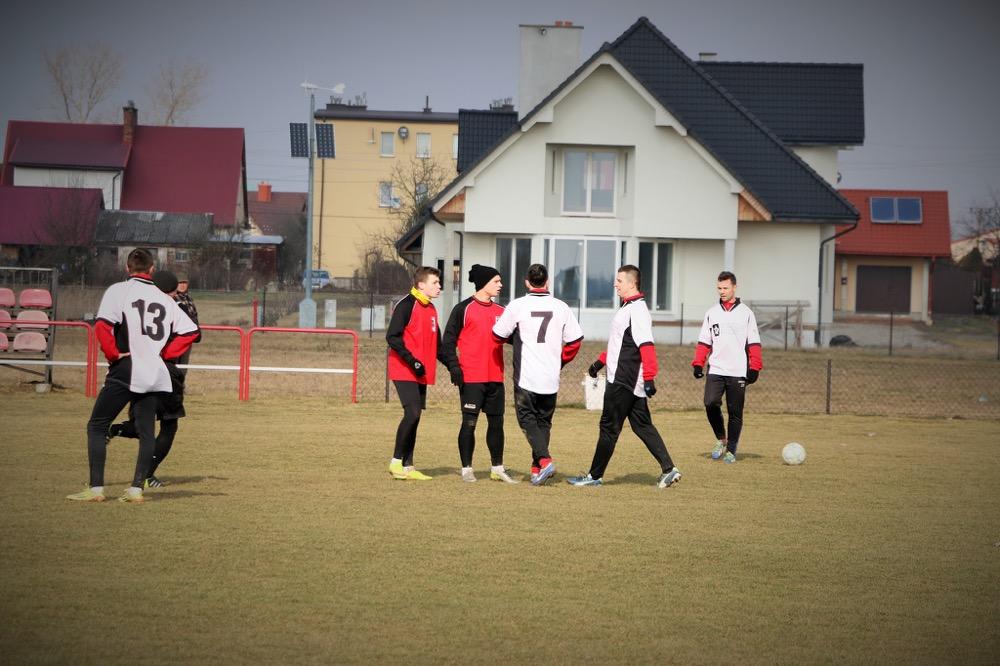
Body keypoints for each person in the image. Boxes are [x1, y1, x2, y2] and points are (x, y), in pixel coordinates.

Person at [66, 249, 199, 503]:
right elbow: (191, 332)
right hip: (154, 371)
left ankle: (96, 489)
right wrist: (165, 354)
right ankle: (136, 489)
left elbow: (103, 326)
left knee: (97, 426)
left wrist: (113, 355)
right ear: (152, 270)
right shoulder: (164, 299)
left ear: (127, 268)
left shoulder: (118, 290)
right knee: (147, 431)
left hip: (126, 367)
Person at [568, 265, 681, 488]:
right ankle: (669, 469)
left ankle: (594, 476)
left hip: (623, 380)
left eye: (619, 280)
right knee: (642, 425)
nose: (615, 284)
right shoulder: (628, 307)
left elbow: (646, 344)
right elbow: (620, 344)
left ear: (632, 283)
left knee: (609, 427)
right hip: (628, 379)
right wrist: (599, 363)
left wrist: (650, 377)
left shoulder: (637, 310)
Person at [492, 263, 583, 486]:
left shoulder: (517, 305)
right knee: (544, 422)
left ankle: (544, 460)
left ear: (527, 282)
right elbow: (574, 341)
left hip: (527, 374)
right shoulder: (561, 307)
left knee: (526, 419)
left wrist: (516, 338)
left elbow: (497, 336)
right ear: (547, 282)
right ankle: (536, 470)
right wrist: (561, 360)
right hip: (550, 375)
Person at [106, 270, 189, 488]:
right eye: (174, 291)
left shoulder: (135, 305)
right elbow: (193, 333)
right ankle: (146, 475)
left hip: (138, 369)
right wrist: (166, 355)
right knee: (169, 425)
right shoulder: (173, 307)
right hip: (165, 372)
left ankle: (114, 430)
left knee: (141, 425)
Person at [440, 264, 516, 483]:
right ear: (484, 283)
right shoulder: (463, 309)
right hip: (471, 378)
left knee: (497, 424)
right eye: (496, 281)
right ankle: (467, 469)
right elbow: (447, 343)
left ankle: (497, 468)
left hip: (496, 377)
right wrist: (454, 366)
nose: (501, 285)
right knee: (469, 423)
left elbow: (516, 339)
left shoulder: (502, 311)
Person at [691, 271, 763, 463]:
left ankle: (731, 450)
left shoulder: (747, 314)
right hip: (716, 369)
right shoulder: (711, 313)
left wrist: (755, 367)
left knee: (735, 412)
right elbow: (704, 342)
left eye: (725, 288)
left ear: (734, 288)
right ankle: (721, 439)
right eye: (719, 288)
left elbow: (754, 343)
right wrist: (698, 363)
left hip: (738, 371)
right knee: (710, 403)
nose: (722, 291)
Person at [385, 266, 443, 481]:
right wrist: (412, 361)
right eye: (435, 282)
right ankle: (396, 462)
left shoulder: (432, 309)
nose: (439, 286)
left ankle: (408, 466)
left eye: (438, 282)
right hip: (404, 368)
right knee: (412, 413)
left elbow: (438, 346)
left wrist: (455, 366)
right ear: (421, 285)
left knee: (415, 417)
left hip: (420, 372)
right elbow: (392, 337)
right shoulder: (406, 305)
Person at [174, 273, 199, 373]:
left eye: (185, 283)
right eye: (180, 283)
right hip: (176, 337)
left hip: (188, 337)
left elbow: (194, 315)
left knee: (184, 366)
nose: (183, 285)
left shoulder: (189, 298)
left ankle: (181, 381)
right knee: (174, 364)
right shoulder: (172, 297)